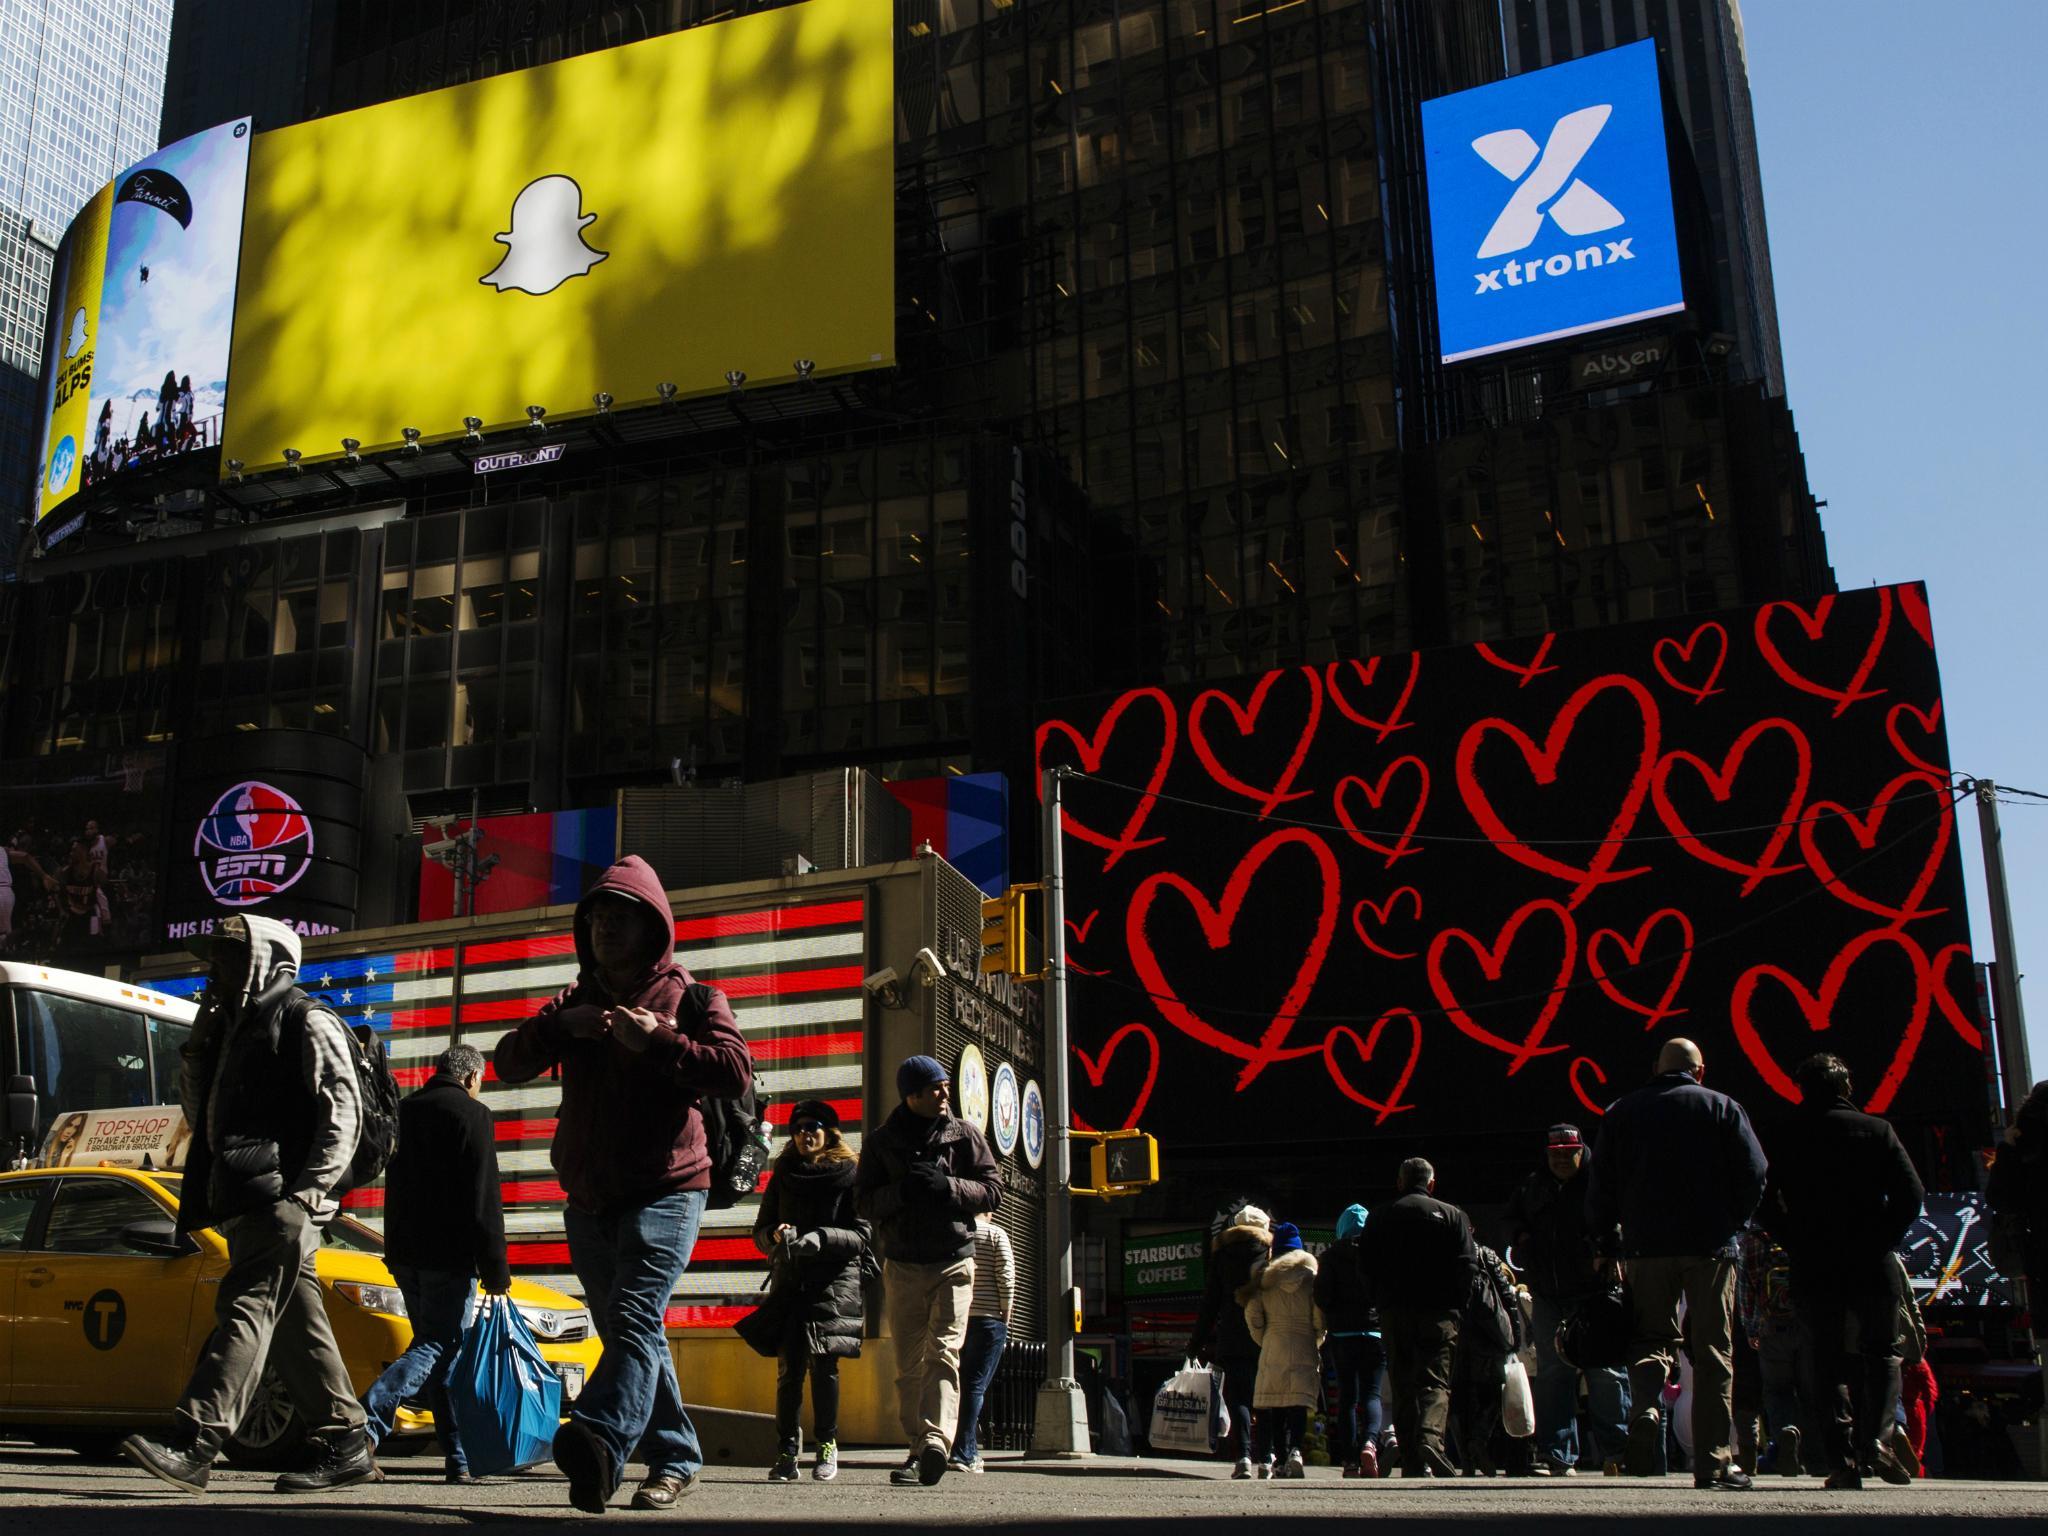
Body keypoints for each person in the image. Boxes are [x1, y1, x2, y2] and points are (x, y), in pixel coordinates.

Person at [494, 855, 751, 1513]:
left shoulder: (693, 997)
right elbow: (506, 1064)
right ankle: (676, 1456)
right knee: (633, 1332)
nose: (606, 928)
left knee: (634, 1316)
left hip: (669, 1188)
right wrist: (559, 1028)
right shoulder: (574, 1000)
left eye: (620, 918)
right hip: (588, 1199)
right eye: (597, 918)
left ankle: (600, 1441)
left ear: (652, 927)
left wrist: (662, 1043)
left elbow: (733, 1073)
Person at [121, 914, 375, 1495]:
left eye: (230, 956)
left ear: (269, 959)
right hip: (245, 1197)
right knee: (292, 1323)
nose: (215, 969)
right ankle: (344, 1440)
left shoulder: (304, 1017)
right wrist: (200, 1044)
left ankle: (196, 1440)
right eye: (214, 958)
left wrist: (312, 1191)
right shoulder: (235, 1028)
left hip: (281, 1197)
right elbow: (199, 1115)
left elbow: (344, 1108)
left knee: (246, 1305)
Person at [1585, 1037, 1768, 1491]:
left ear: (1655, 1068)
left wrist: (1606, 1242)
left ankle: (1646, 1410)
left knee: (1650, 1337)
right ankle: (1712, 1461)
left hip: (1645, 1245)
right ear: (1700, 1071)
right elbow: (1755, 1171)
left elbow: (1601, 1184)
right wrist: (1734, 1221)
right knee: (1711, 1353)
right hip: (1709, 1247)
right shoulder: (1723, 1107)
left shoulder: (1622, 1112)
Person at [1760, 1052, 1924, 1489]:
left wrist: (1793, 1238)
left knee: (1825, 1357)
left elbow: (1763, 1200)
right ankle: (1879, 1440)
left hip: (1814, 1259)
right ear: (1846, 1086)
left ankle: (1842, 1459)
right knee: (1882, 1351)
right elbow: (1912, 1194)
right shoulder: (1876, 1130)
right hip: (1871, 1257)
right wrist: (1882, 1238)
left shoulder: (1785, 1136)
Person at [361, 1043, 510, 1484]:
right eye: (480, 1082)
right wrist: (495, 1267)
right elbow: (484, 1197)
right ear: (470, 1078)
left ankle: (459, 1457)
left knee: (443, 1353)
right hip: (449, 1256)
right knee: (437, 1345)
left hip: (406, 1254)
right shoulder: (471, 1114)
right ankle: (364, 1426)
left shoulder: (406, 1112)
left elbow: (394, 1189)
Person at [855, 1054, 1002, 1488]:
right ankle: (920, 1447)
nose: (944, 1093)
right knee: (908, 1365)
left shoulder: (966, 1135)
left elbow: (993, 1190)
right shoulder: (881, 1142)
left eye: (944, 1085)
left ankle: (936, 1441)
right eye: (935, 1087)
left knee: (944, 1351)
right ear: (911, 1095)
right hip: (902, 1263)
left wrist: (948, 1188)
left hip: (954, 1258)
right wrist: (903, 1192)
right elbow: (863, 1203)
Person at [749, 1098, 869, 1484]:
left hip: (833, 1282)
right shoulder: (784, 1172)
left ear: (829, 1132)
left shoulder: (851, 1174)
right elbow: (761, 1230)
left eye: (812, 1127)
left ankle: (827, 1446)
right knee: (789, 1369)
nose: (804, 1134)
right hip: (791, 1282)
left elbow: (863, 1235)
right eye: (798, 1129)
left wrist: (821, 1237)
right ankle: (786, 1450)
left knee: (824, 1367)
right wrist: (774, 1235)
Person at [1504, 1123, 1628, 1476]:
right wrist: (1522, 1239)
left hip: (1595, 1294)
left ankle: (1617, 1451)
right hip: (1548, 1294)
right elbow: (1509, 1220)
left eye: (1567, 1153)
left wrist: (1608, 1250)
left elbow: (1621, 1219)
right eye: (1554, 1154)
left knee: (1605, 1372)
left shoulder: (1600, 1182)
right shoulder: (1532, 1185)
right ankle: (1557, 1455)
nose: (1561, 1159)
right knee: (1553, 1375)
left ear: (1581, 1150)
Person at [1361, 1157, 1477, 1478]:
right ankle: (1430, 1437)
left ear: (1400, 1182)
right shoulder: (1452, 1215)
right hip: (1439, 1311)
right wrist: (1457, 1306)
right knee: (1435, 1381)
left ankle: (1411, 1459)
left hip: (1395, 1312)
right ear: (1431, 1183)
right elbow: (1468, 1265)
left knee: (1402, 1383)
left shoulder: (1380, 1216)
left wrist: (1380, 1301)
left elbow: (1366, 1264)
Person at [1190, 1201, 1272, 1478]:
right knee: (1266, 1397)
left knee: (1238, 1397)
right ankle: (1268, 1458)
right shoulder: (1271, 1254)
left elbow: (1210, 1303)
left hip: (1233, 1337)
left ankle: (1244, 1457)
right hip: (1265, 1336)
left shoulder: (1222, 1256)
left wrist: (1196, 1342)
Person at [1245, 1221, 1322, 1478]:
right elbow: (1319, 1316)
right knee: (1298, 1402)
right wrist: (1317, 1338)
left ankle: (1278, 1459)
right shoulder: (1311, 1278)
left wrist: (1263, 1338)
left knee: (1276, 1404)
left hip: (1274, 1341)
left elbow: (1253, 1314)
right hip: (1303, 1341)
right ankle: (1296, 1450)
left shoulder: (1265, 1279)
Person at [1737, 1220, 1813, 1476]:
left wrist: (1751, 1328)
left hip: (1771, 1326)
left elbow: (1746, 1289)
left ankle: (1785, 1435)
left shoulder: (1752, 1241)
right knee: (1808, 1389)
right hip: (1806, 1323)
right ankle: (1812, 1454)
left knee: (1777, 1390)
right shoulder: (1802, 1229)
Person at [1315, 1202, 1385, 1477]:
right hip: (1374, 1332)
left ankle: (1350, 1461)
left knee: (1346, 1397)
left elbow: (1322, 1297)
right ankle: (1370, 1442)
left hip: (1342, 1335)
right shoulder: (1377, 1255)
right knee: (1372, 1394)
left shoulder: (1330, 1257)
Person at [952, 1208, 1016, 1474]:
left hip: (958, 1318)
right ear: (988, 1211)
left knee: (957, 1384)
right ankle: (964, 1453)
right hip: (989, 1319)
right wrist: (1006, 1312)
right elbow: (1006, 1276)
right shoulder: (996, 1233)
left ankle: (960, 1448)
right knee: (975, 1386)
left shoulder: (957, 1232)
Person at [1451, 1243, 1523, 1476]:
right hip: (1487, 1334)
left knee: (1459, 1398)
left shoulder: (1441, 1254)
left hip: (1456, 1334)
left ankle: (1466, 1460)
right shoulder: (1484, 1254)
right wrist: (1515, 1335)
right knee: (1491, 1394)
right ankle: (1479, 1440)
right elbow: (1505, 1294)